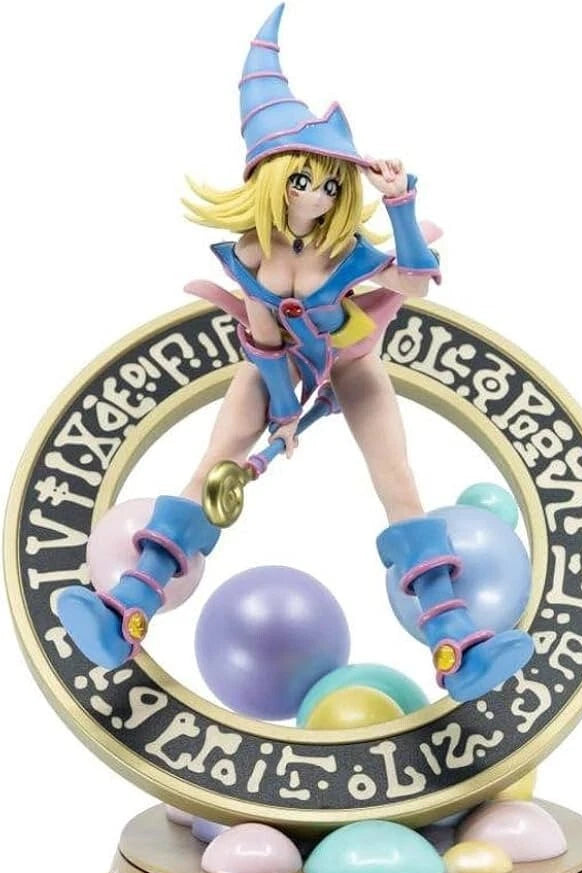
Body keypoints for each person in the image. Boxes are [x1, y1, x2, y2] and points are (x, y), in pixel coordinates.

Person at [57, 4, 533, 701]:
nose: (316, 194)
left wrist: (399, 205)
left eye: (330, 183)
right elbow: (264, 339)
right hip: (272, 372)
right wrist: (283, 416)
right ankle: (124, 609)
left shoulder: (342, 250)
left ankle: (455, 644)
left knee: (398, 483)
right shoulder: (253, 252)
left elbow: (413, 284)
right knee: (209, 469)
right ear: (271, 178)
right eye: (303, 179)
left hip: (352, 367)